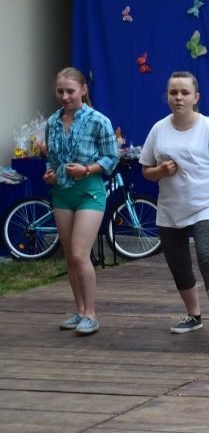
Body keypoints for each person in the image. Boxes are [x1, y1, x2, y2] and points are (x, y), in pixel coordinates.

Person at [140, 72, 209, 355]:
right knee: (178, 265)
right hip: (170, 210)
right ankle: (194, 315)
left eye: (184, 93)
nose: (178, 97)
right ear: (167, 96)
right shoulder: (158, 130)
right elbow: (146, 171)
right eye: (173, 92)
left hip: (206, 207)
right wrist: (160, 170)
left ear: (195, 98)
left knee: (207, 259)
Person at [44, 67, 119, 336]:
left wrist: (87, 170)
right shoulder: (52, 122)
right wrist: (50, 173)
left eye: (70, 91)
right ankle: (78, 310)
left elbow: (112, 157)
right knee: (69, 256)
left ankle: (91, 314)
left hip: (89, 191)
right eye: (60, 91)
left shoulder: (98, 120)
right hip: (62, 193)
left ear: (83, 90)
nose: (65, 96)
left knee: (79, 253)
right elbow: (51, 158)